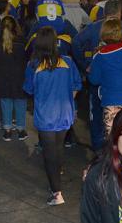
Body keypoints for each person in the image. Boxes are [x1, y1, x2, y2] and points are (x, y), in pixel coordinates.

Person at [72, 0, 122, 152]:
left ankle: (100, 154)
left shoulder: (98, 48)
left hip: (109, 99)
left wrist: (85, 65)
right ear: (119, 13)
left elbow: (93, 78)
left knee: (110, 136)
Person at [23, 26, 82, 206]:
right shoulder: (67, 61)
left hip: (46, 114)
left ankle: (56, 193)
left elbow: (29, 89)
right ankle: (59, 170)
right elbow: (76, 85)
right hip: (65, 113)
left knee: (49, 154)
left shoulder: (33, 65)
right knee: (59, 147)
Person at [0, 15, 29, 141]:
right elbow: (26, 58)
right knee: (20, 102)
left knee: (5, 102)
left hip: (2, 77)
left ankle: (7, 130)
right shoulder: (22, 41)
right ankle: (21, 129)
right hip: (19, 76)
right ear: (16, 27)